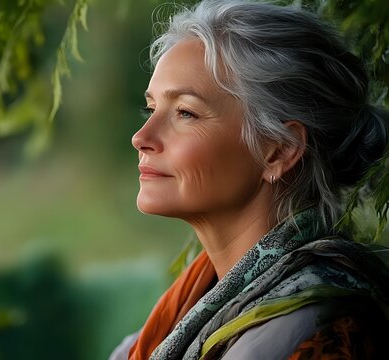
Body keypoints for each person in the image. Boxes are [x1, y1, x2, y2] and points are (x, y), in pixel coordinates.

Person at [110, 1, 389, 359]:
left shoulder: (319, 331)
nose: (141, 136)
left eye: (185, 113)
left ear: (278, 150)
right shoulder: (191, 307)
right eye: (152, 109)